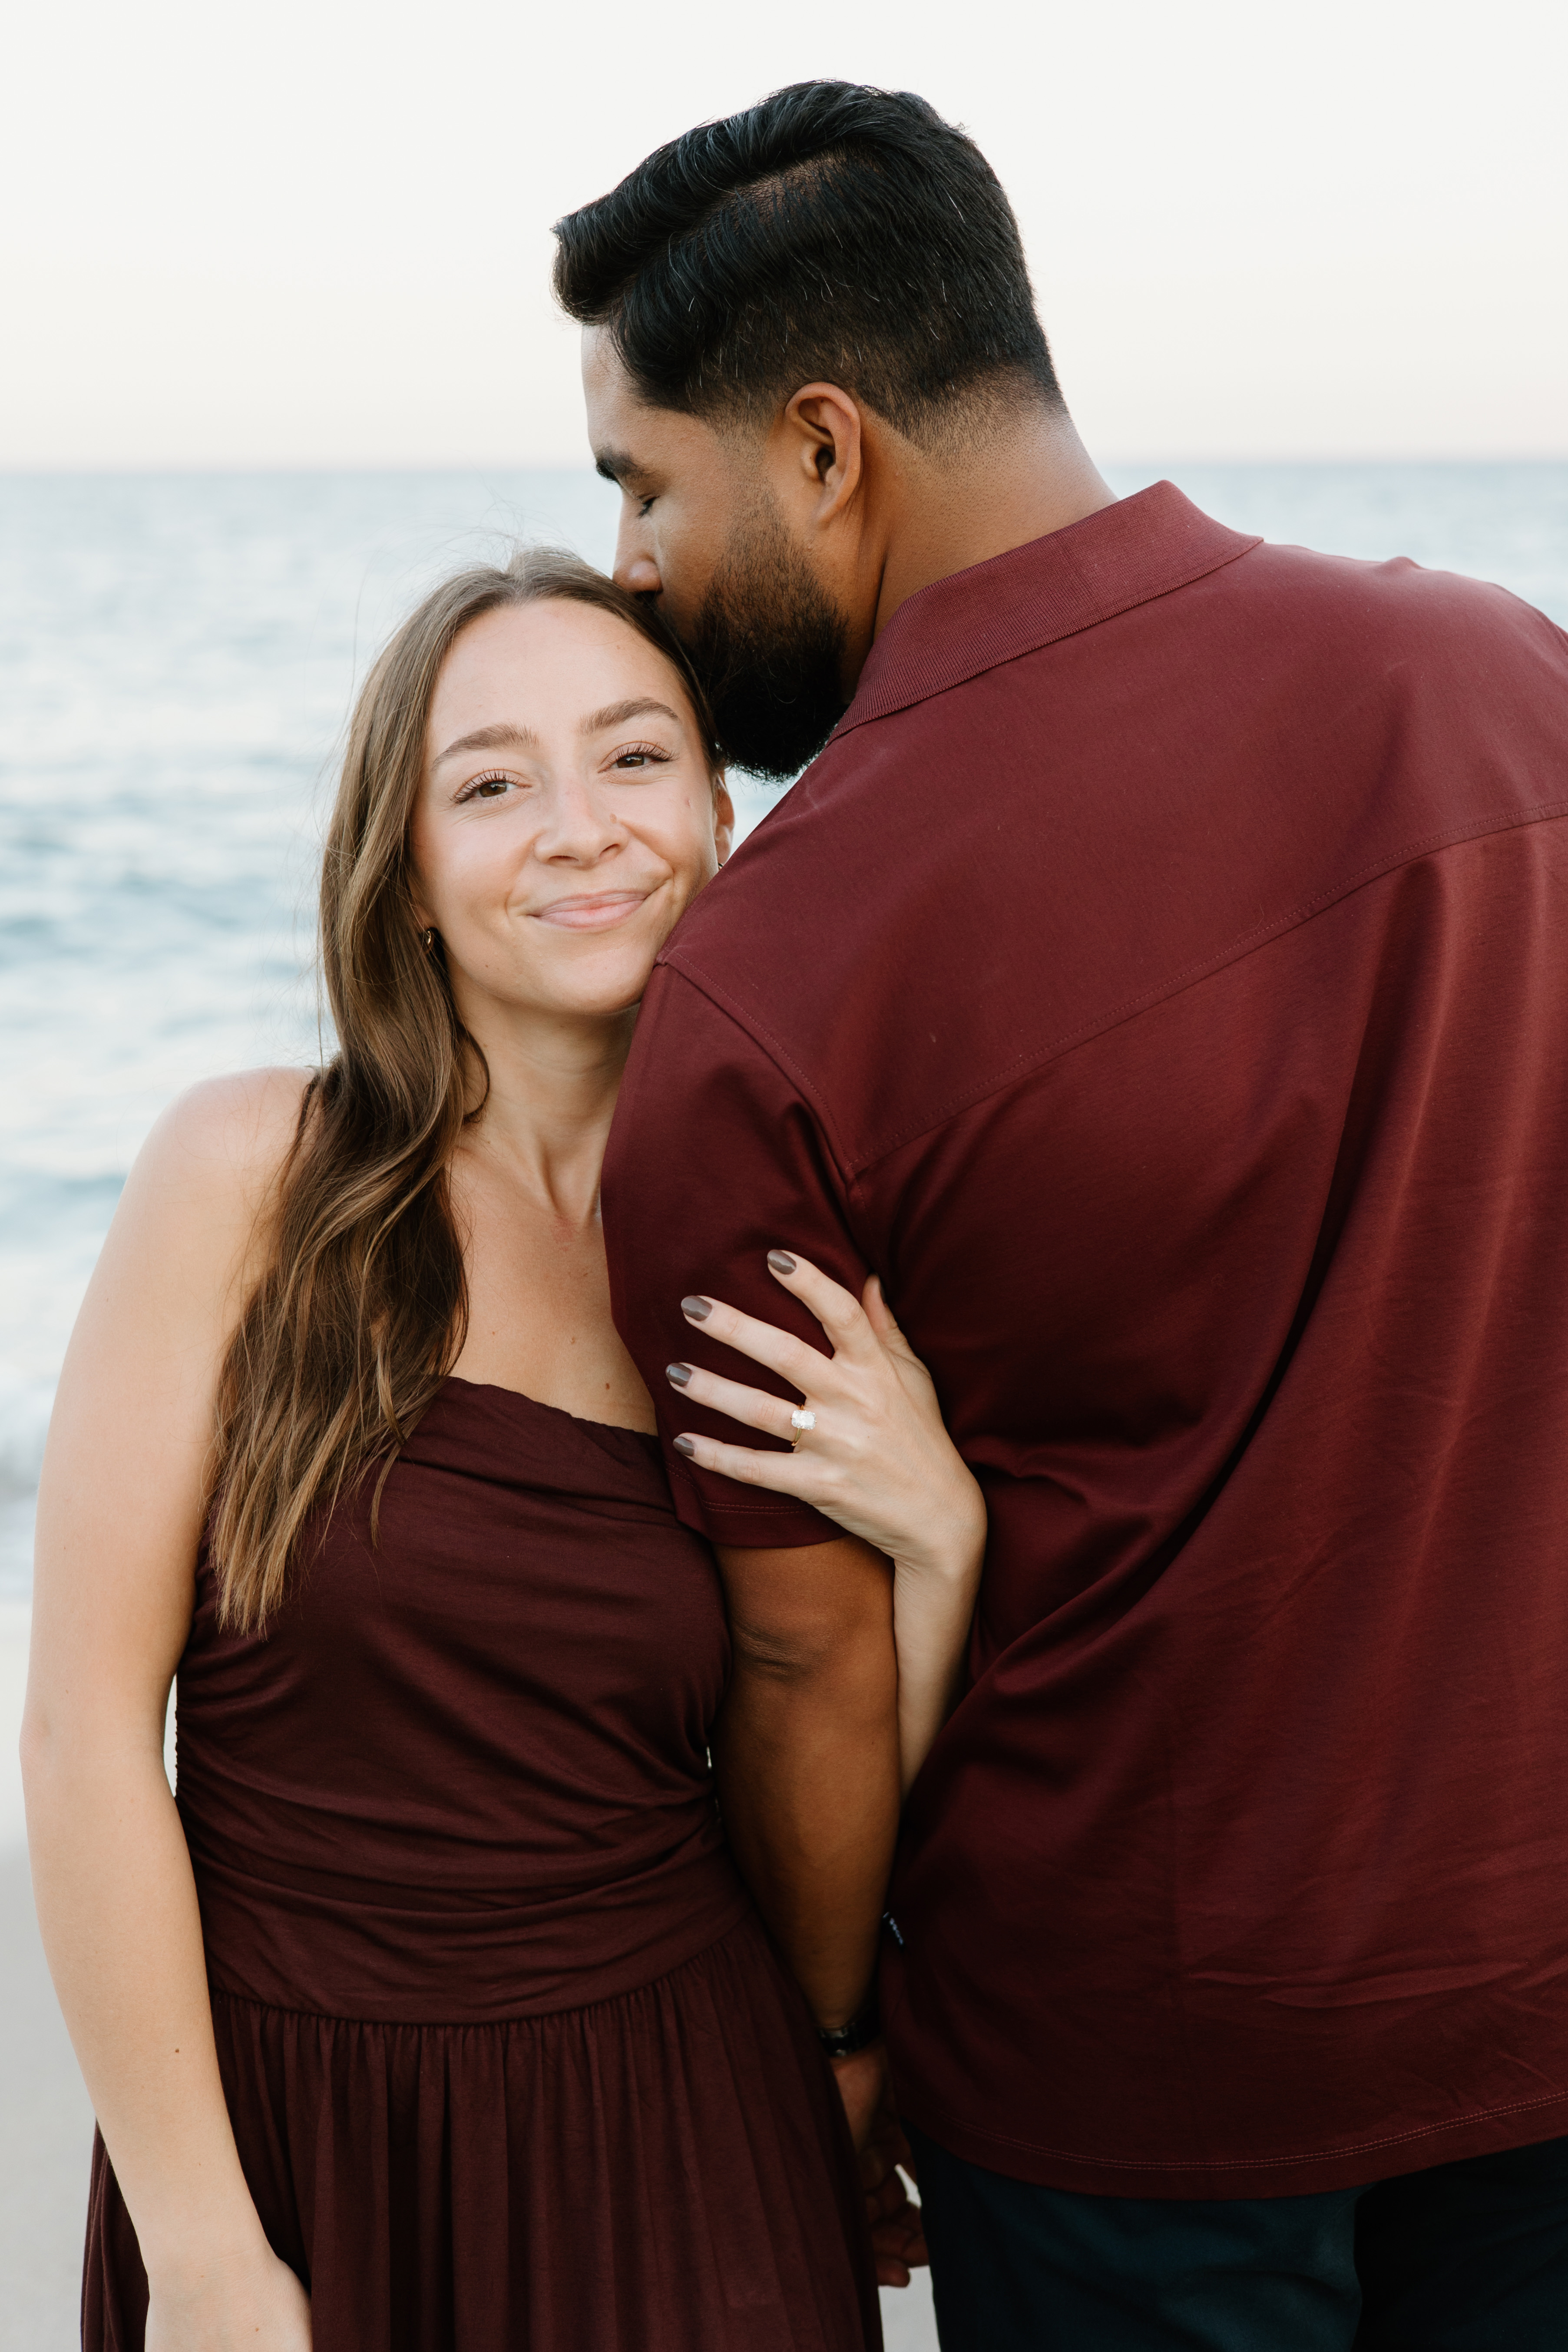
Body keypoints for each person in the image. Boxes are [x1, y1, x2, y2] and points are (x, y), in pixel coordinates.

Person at [552, 78, 1568, 2351]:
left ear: (823, 451)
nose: (626, 562)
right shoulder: (1508, 678)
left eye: (643, 482)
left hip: (1126, 2087)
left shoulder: (767, 981)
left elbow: (810, 1655)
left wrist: (830, 2047)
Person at [21, 549, 983, 2351]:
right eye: (489, 784)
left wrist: (938, 1542)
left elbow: (812, 1741)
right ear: (402, 873)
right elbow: (84, 1739)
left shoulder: (781, 1249)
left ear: (719, 816)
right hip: (304, 2144)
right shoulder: (250, 1179)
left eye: (634, 757)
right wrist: (205, 2253)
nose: (578, 827)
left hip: (689, 2142)